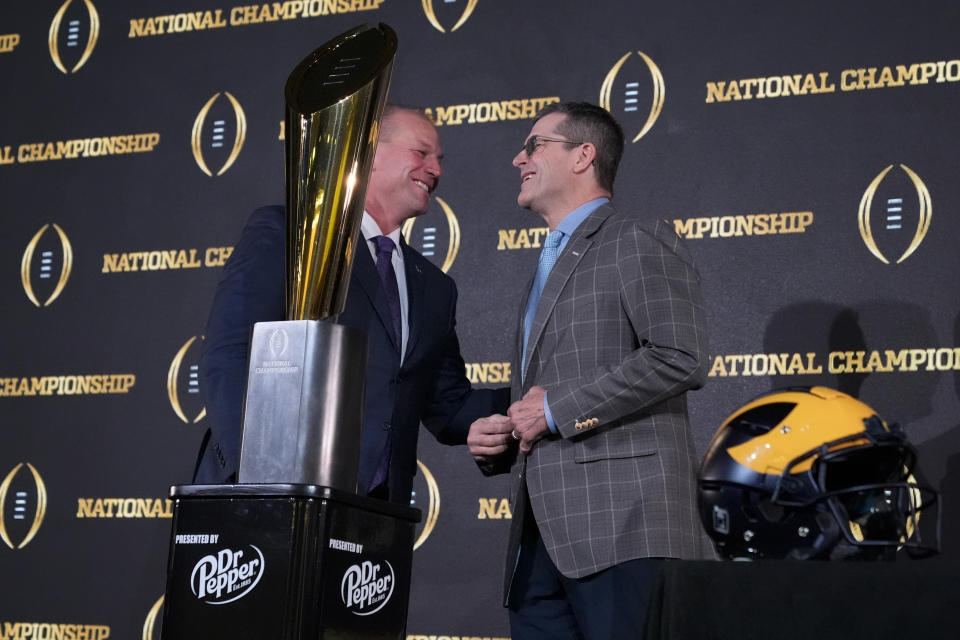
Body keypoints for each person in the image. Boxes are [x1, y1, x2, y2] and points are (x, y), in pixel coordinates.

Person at [467, 102, 709, 639]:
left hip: (625, 531)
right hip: (539, 541)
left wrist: (553, 410)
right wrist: (505, 435)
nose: (517, 158)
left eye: (533, 145)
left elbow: (678, 355)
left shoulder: (634, 238)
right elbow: (553, 393)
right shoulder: (549, 262)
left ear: (583, 155)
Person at [194, 105, 509, 505]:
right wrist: (255, 473)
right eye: (422, 153)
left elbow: (448, 404)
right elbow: (230, 353)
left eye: (440, 160)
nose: (436, 170)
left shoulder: (435, 287)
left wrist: (548, 402)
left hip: (376, 516)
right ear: (369, 152)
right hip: (266, 497)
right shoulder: (293, 235)